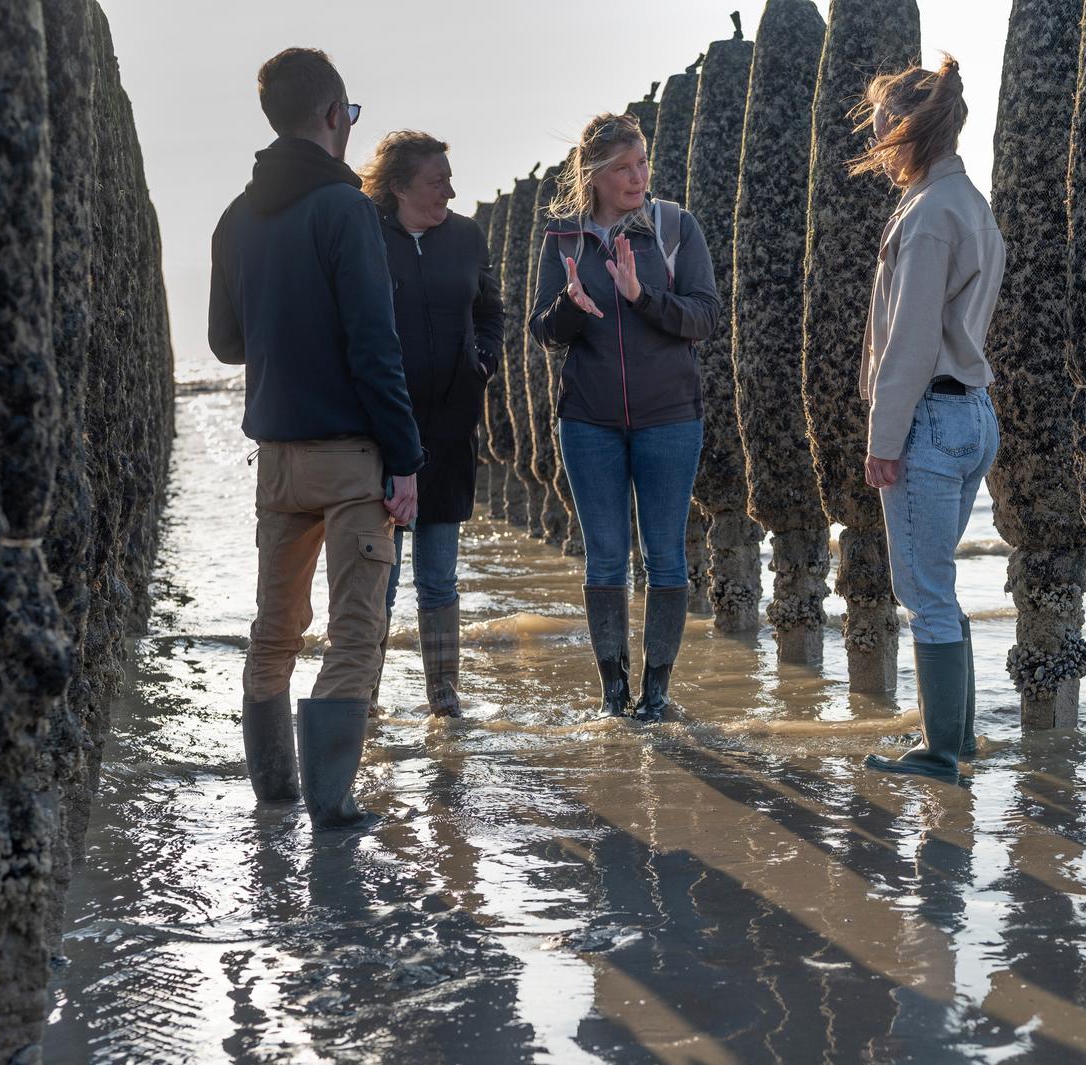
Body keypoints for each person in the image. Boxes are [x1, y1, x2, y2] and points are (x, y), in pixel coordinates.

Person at [208, 48, 424, 828]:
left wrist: (284, 330)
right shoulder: (346, 212)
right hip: (348, 457)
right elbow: (376, 347)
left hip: (276, 461)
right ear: (335, 117)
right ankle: (332, 803)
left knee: (275, 628)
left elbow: (227, 342)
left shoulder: (235, 218)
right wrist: (404, 459)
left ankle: (275, 792)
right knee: (355, 630)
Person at [529, 113, 720, 722]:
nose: (637, 176)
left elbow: (706, 316)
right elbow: (541, 331)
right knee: (606, 555)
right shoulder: (563, 239)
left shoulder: (673, 227)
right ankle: (614, 692)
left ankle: (656, 693)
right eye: (622, 168)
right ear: (595, 174)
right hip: (588, 421)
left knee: (664, 554)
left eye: (642, 163)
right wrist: (570, 308)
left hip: (670, 417)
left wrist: (644, 300)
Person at [855, 56, 1004, 780]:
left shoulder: (925, 215)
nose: (876, 136)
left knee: (927, 594)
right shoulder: (970, 201)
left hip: (932, 416)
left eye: (881, 123)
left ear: (906, 129)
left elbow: (911, 340)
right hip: (973, 411)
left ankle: (941, 750)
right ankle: (960, 739)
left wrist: (883, 441)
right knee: (940, 588)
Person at [359, 131, 504, 717]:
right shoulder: (365, 234)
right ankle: (363, 699)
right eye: (436, 180)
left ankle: (444, 700)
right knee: (380, 581)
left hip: (450, 430)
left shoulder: (466, 236)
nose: (450, 188)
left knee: (439, 580)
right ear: (398, 186)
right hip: (378, 434)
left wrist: (483, 363)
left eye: (449, 176)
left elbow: (489, 310)